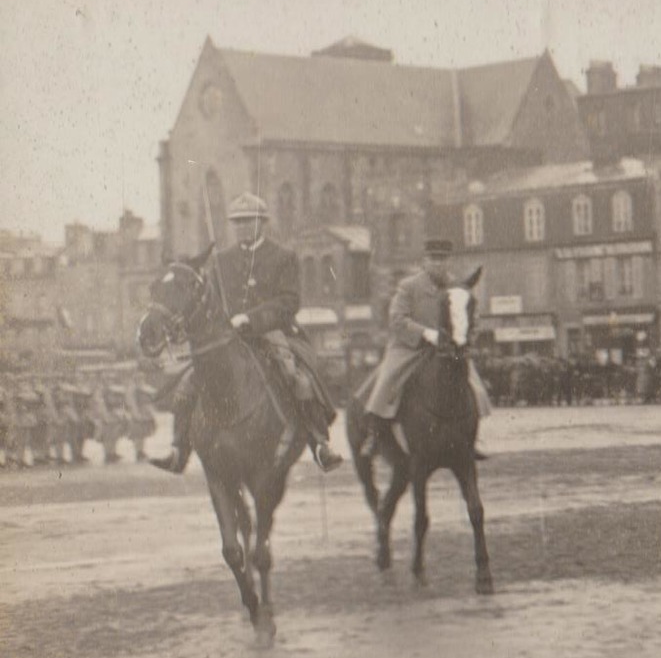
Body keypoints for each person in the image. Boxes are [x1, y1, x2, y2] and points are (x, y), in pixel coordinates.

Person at [151, 192, 343, 474]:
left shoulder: (283, 256)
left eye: (247, 221)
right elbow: (211, 301)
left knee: (297, 378)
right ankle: (178, 449)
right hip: (227, 337)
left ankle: (319, 444)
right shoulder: (220, 261)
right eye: (237, 222)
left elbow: (289, 302)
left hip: (271, 332)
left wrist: (250, 319)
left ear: (261, 223)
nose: (241, 227)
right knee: (189, 383)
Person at [357, 238, 492, 457]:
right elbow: (397, 320)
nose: (438, 264)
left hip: (447, 348)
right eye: (434, 259)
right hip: (411, 347)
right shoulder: (409, 286)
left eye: (443, 259)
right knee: (389, 378)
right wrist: (428, 334)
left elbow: (472, 319)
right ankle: (375, 433)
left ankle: (471, 437)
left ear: (449, 261)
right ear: (424, 261)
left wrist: (465, 339)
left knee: (472, 383)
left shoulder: (456, 287)